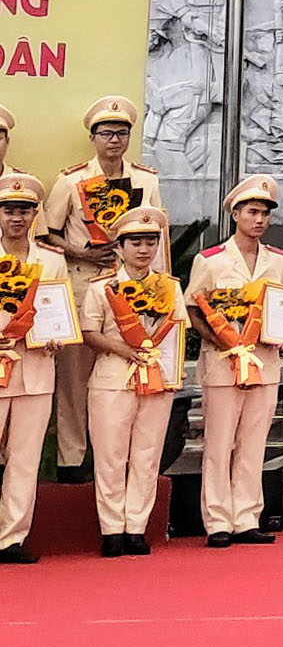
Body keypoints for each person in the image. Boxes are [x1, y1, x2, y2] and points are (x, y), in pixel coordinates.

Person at [36, 96, 161, 483]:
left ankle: (114, 460)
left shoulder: (146, 181)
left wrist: (160, 291)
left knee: (124, 377)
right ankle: (72, 461)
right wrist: (81, 251)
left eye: (122, 133)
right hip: (81, 285)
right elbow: (47, 233)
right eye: (106, 133)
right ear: (92, 137)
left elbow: (157, 238)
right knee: (74, 383)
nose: (114, 140)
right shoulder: (72, 180)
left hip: (131, 293)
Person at [186, 174, 283, 548]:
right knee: (219, 443)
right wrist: (222, 341)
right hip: (223, 361)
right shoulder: (210, 260)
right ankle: (217, 520)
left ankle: (246, 516)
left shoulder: (277, 260)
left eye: (264, 213)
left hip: (263, 360)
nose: (259, 220)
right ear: (235, 214)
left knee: (253, 443)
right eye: (252, 212)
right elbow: (192, 309)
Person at [79, 204, 184, 557]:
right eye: (135, 242)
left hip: (156, 378)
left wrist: (170, 371)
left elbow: (176, 333)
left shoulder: (169, 287)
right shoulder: (102, 287)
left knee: (147, 454)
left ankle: (137, 526)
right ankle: (111, 528)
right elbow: (89, 332)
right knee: (110, 455)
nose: (143, 249)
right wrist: (125, 349)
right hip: (113, 377)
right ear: (120, 247)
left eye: (150, 242)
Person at [0, 171, 66, 563]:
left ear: (34, 214)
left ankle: (11, 538)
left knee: (25, 459)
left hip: (36, 368)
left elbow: (60, 312)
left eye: (24, 211)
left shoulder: (51, 261)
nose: (17, 218)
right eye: (9, 210)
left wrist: (58, 335)